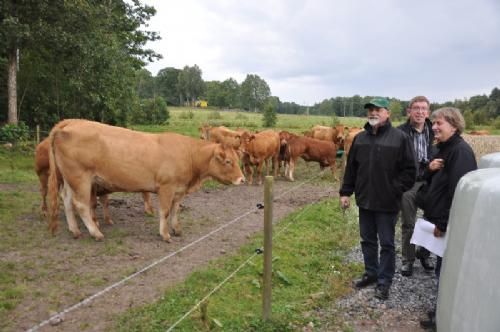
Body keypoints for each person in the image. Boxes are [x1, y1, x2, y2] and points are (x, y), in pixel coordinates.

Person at [339, 97, 416, 300]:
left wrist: (394, 189)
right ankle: (371, 273)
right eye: (370, 110)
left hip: (387, 202)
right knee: (367, 240)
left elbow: (410, 171)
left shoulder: (399, 138)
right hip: (365, 200)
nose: (373, 113)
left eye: (378, 110)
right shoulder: (360, 138)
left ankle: (384, 282)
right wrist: (346, 192)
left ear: (387, 113)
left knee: (388, 243)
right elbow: (352, 169)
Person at [418, 107, 477, 329]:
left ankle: (442, 318)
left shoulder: (459, 152)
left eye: (438, 123)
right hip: (439, 218)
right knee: (441, 270)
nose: (433, 127)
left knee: (446, 271)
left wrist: (443, 223)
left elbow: (458, 193)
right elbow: (427, 179)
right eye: (433, 123)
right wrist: (429, 170)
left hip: (449, 223)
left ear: (453, 125)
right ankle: (440, 311)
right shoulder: (442, 149)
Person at [398, 96, 435, 276]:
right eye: (416, 108)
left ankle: (424, 252)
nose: (420, 112)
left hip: (431, 180)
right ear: (409, 111)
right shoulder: (400, 133)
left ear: (428, 112)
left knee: (434, 218)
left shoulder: (435, 131)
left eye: (423, 109)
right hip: (409, 182)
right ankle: (408, 259)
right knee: (408, 222)